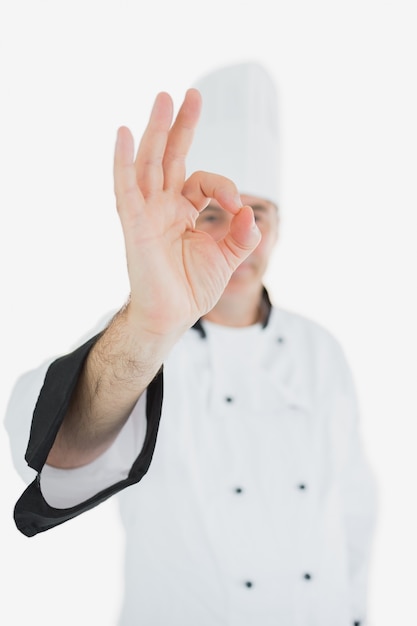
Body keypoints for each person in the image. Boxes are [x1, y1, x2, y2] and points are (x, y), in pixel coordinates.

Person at [6, 62, 377, 626]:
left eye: (263, 216)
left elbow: (354, 508)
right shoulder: (138, 333)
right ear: (188, 221)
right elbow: (48, 445)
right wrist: (151, 326)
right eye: (216, 215)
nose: (243, 239)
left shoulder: (322, 352)